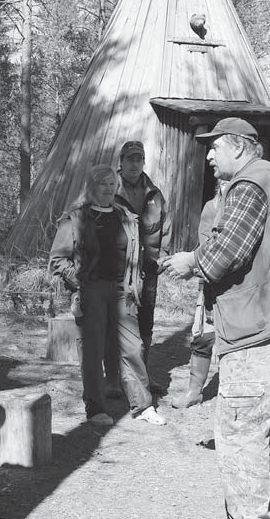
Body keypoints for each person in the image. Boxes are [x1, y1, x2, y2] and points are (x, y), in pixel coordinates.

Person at [161, 117, 270, 519]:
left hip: (255, 326)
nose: (210, 156)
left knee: (240, 428)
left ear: (238, 147)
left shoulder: (250, 184)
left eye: (215, 147)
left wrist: (191, 261)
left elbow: (224, 255)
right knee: (264, 423)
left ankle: (250, 513)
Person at [49, 164, 167, 427]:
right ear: (92, 186)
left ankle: (143, 405)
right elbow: (58, 259)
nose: (108, 188)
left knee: (133, 347)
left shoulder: (125, 216)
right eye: (102, 183)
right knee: (92, 351)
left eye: (112, 184)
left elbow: (136, 253)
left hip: (123, 290)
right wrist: (78, 280)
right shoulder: (76, 218)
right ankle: (96, 407)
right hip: (91, 291)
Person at [114, 141, 170, 395]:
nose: (135, 164)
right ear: (121, 162)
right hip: (118, 268)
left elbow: (166, 228)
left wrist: (162, 257)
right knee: (117, 322)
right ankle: (115, 379)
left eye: (140, 159)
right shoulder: (109, 188)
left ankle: (143, 376)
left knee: (146, 322)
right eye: (130, 159)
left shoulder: (154, 194)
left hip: (147, 268)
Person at [171, 180, 225, 409]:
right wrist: (195, 269)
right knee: (202, 338)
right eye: (222, 181)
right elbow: (206, 246)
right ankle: (194, 391)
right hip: (213, 282)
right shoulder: (212, 208)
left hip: (240, 287)